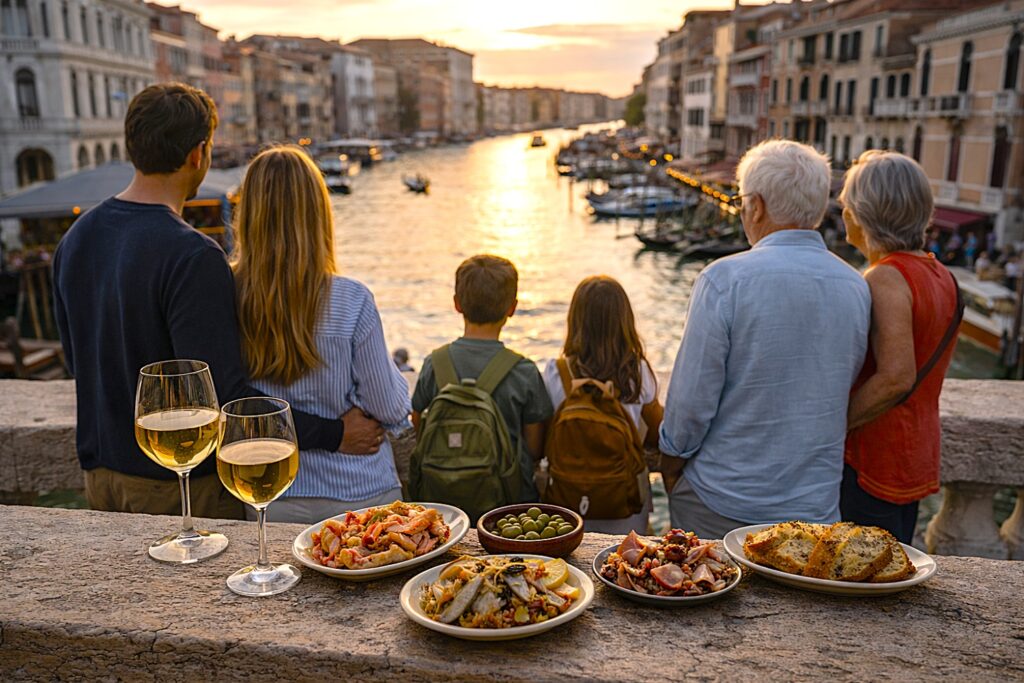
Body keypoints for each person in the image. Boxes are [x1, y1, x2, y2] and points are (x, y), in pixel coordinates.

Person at [52, 83, 383, 518]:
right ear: (198, 154)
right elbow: (225, 400)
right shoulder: (193, 256)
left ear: (133, 146)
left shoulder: (75, 239)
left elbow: (77, 363)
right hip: (177, 486)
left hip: (100, 478)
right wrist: (336, 433)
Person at [658, 139, 871, 539]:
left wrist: (671, 469)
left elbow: (689, 406)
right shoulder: (856, 286)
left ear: (755, 205)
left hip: (723, 500)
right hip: (814, 508)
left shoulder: (723, 280)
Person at [231, 147, 411, 523]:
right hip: (360, 493)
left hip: (271, 495)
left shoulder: (225, 294)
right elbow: (390, 408)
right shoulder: (351, 300)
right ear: (318, 215)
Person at [841, 151, 961, 544]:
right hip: (915, 454)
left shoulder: (886, 279)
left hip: (875, 459)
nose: (842, 209)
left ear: (862, 213)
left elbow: (896, 378)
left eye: (847, 201)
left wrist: (833, 424)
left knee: (861, 578)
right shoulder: (941, 275)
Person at [411, 255, 553, 502]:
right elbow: (534, 448)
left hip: (442, 499)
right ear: (513, 308)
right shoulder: (523, 370)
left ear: (457, 304)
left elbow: (417, 426)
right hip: (506, 507)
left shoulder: (434, 363)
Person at [542, 275, 663, 534]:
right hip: (625, 508)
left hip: (567, 509)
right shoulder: (638, 373)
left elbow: (543, 437)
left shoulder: (557, 373)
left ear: (574, 321)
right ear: (624, 321)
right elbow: (658, 433)